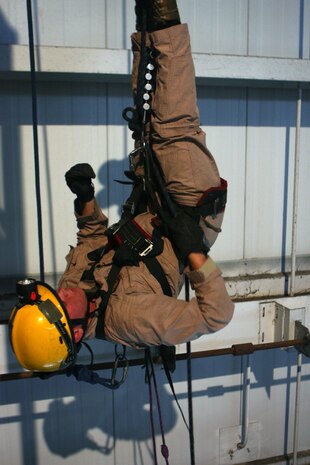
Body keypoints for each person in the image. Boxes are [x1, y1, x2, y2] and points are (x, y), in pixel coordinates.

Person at [9, 0, 234, 372]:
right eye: (60, 304)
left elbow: (91, 239)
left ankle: (149, 23)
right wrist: (195, 252)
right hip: (189, 211)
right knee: (171, 128)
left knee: (146, 122)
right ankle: (165, 18)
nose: (63, 290)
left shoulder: (74, 292)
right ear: (77, 332)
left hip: (149, 201)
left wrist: (84, 199)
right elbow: (217, 316)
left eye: (52, 294)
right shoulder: (134, 319)